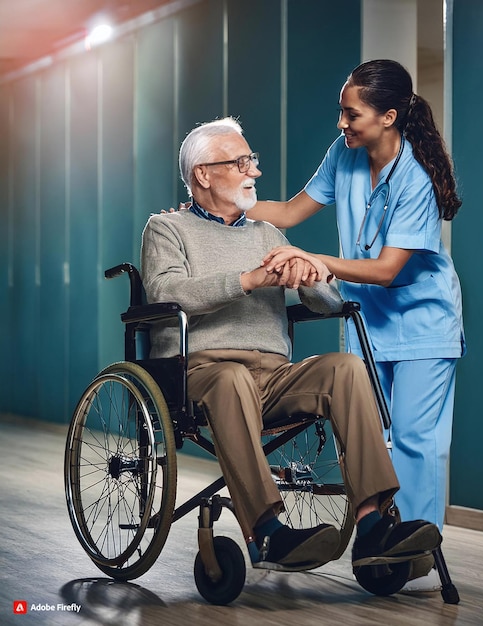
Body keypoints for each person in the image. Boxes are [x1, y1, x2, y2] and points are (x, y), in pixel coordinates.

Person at [141, 117, 442, 574]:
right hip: (201, 371)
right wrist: (249, 279)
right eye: (241, 162)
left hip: (274, 374)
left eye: (252, 160)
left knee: (344, 367)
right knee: (231, 378)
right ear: (203, 174)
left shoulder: (265, 232)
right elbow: (167, 294)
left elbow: (326, 304)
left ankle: (373, 524)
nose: (254, 172)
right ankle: (266, 530)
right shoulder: (167, 230)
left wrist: (311, 273)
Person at [248, 60, 465, 543]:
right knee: (373, 439)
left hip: (424, 324)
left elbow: (389, 270)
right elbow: (288, 211)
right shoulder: (343, 154)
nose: (342, 123)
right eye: (341, 112)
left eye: (352, 114)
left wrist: (318, 259)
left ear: (388, 116)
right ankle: (379, 540)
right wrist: (219, 205)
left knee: (415, 441)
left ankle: (413, 550)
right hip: (369, 322)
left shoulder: (415, 177)